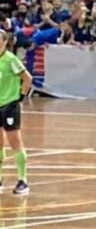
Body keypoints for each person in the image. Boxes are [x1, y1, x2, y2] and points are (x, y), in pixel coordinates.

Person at [0, 30, 31, 195]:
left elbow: (27, 79)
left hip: (9, 105)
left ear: (5, 42)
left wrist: (20, 98)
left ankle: (22, 180)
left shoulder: (10, 59)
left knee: (15, 142)